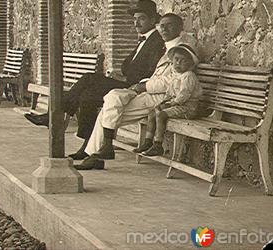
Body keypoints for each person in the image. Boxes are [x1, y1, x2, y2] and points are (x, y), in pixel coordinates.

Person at [24, 0, 166, 160]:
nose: (136, 23)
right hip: (126, 81)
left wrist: (125, 76)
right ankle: (86, 149)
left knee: (89, 79)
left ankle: (56, 113)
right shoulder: (144, 39)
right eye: (134, 19)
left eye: (141, 18)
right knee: (87, 98)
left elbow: (151, 71)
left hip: (134, 87)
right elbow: (130, 65)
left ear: (153, 20)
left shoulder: (157, 41)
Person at [75, 13, 196, 170]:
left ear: (180, 28)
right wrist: (140, 85)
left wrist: (144, 87)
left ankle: (96, 154)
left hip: (161, 97)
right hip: (147, 89)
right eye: (162, 25)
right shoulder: (166, 48)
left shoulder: (183, 50)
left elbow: (173, 81)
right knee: (112, 97)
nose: (164, 28)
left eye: (170, 25)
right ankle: (103, 149)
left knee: (107, 112)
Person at [133, 43, 202, 156]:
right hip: (177, 105)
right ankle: (148, 141)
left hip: (188, 107)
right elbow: (169, 92)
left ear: (190, 64)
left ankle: (158, 144)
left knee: (161, 115)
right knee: (153, 112)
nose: (178, 63)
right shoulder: (175, 76)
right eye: (176, 59)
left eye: (183, 61)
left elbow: (184, 95)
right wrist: (164, 102)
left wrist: (170, 104)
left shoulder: (188, 76)